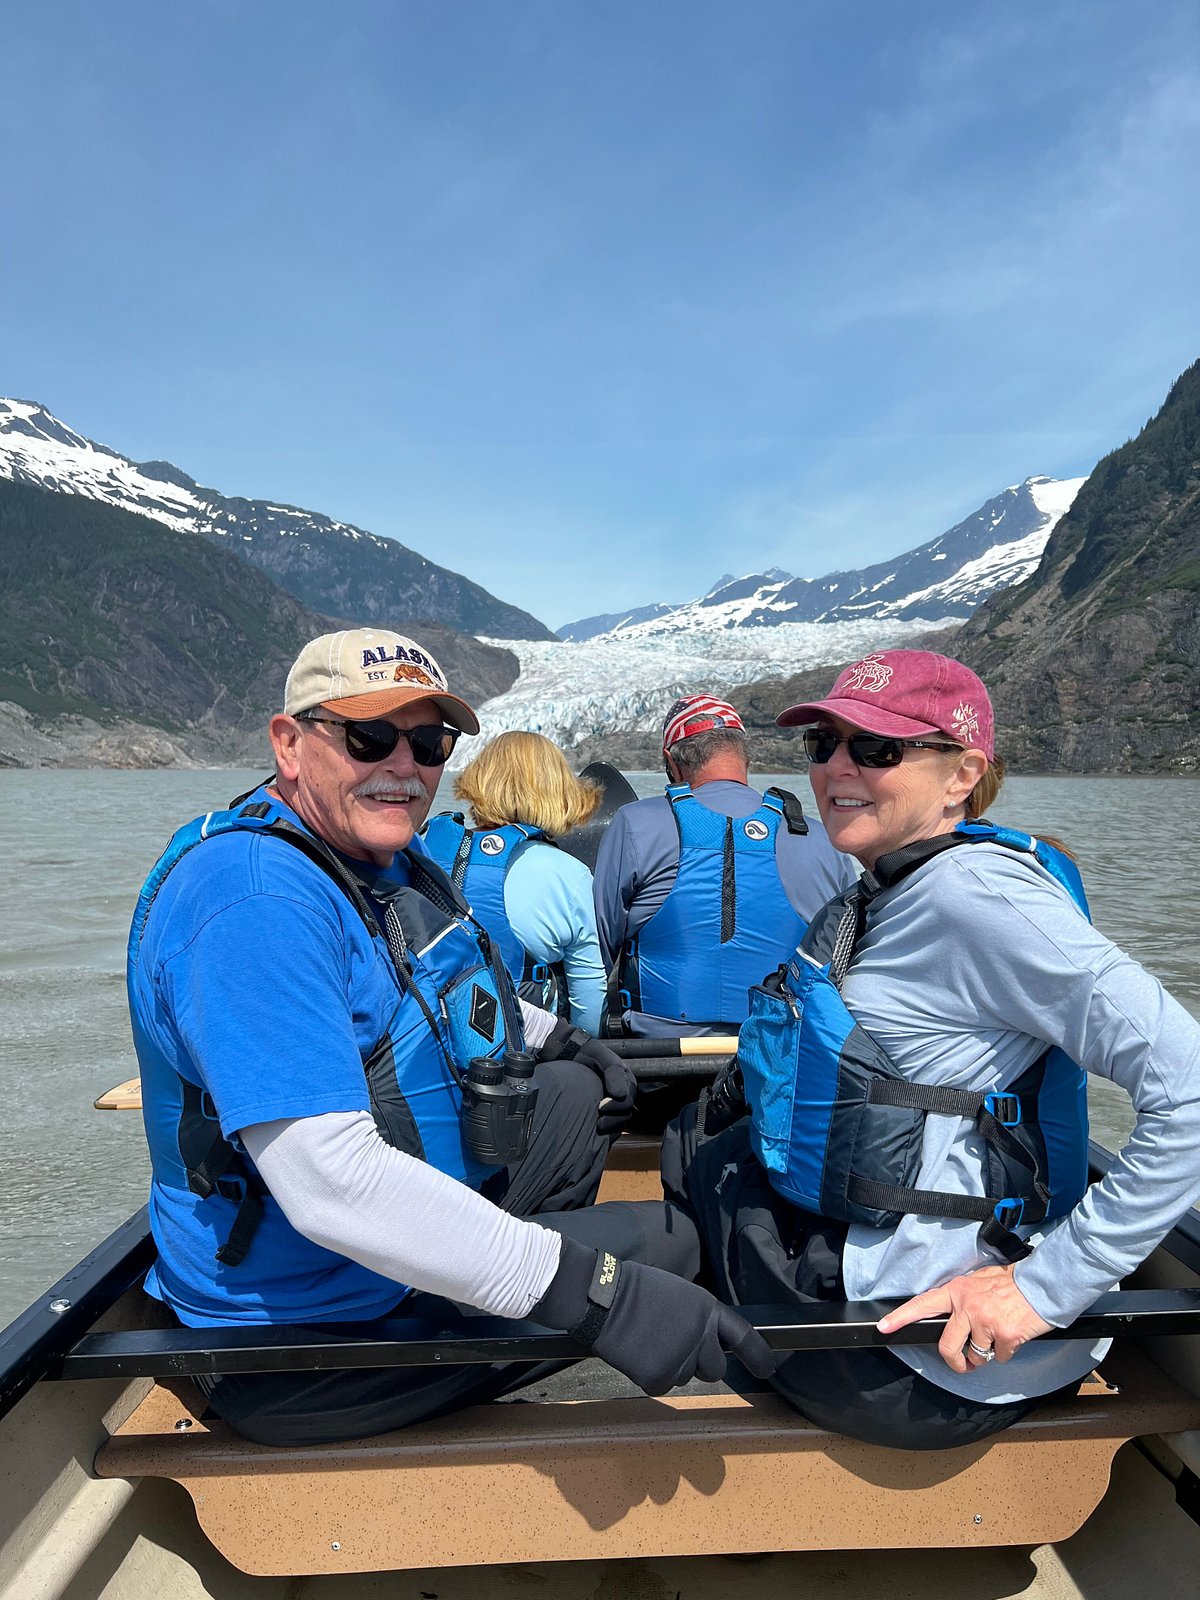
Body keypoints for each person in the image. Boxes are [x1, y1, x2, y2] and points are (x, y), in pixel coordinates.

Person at [128, 627, 772, 1447]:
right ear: (289, 744)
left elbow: (442, 990)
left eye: (429, 741)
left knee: (574, 1095)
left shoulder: (360, 858)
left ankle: (495, 1296)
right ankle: (502, 1321)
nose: (404, 765)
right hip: (299, 1337)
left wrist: (562, 1041)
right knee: (671, 1247)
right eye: (369, 736)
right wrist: (594, 1293)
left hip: (357, 1262)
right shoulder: (256, 904)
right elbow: (327, 1182)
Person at [663, 648, 1200, 1450]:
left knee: (705, 1171)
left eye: (876, 749)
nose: (837, 767)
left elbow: (1189, 1085)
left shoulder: (978, 896)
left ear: (961, 776)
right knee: (710, 1143)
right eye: (825, 746)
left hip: (923, 1360)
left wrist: (1044, 1291)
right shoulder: (886, 886)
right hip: (908, 1306)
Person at [593, 694, 856, 1037]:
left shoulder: (634, 822)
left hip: (655, 1053)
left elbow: (603, 940)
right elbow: (844, 951)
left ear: (670, 762)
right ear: (746, 757)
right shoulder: (823, 838)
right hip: (777, 1056)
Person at [423, 730, 607, 1034]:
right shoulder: (569, 875)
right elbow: (589, 991)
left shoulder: (424, 848)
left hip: (427, 1042)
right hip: (517, 1054)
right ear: (559, 792)